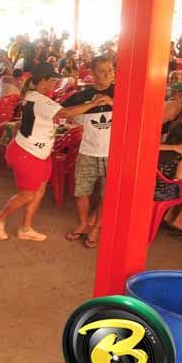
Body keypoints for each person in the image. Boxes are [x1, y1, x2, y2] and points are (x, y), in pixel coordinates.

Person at [0, 63, 113, 242]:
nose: (54, 84)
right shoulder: (40, 100)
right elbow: (65, 112)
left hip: (40, 152)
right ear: (42, 81)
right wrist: (94, 103)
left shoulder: (35, 96)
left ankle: (25, 227)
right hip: (28, 152)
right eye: (52, 80)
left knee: (39, 191)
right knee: (27, 194)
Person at [62, 56, 114, 248]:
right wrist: (92, 104)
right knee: (81, 191)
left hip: (113, 154)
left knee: (107, 195)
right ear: (92, 73)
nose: (108, 75)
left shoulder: (122, 92)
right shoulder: (83, 95)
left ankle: (96, 227)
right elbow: (62, 113)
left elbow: (135, 114)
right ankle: (84, 223)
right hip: (87, 151)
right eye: (102, 71)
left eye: (110, 70)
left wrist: (111, 102)